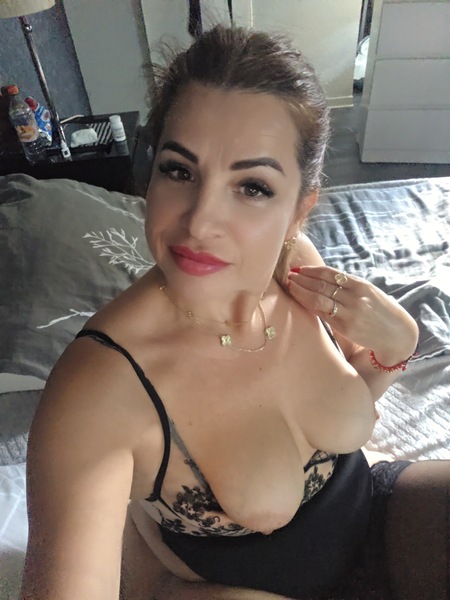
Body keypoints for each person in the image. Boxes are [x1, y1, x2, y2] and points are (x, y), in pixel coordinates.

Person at [20, 25, 448, 600]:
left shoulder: (296, 268)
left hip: (373, 511)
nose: (200, 222)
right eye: (179, 170)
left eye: (252, 187)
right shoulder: (100, 387)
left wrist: (396, 349)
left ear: (299, 210)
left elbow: (335, 403)